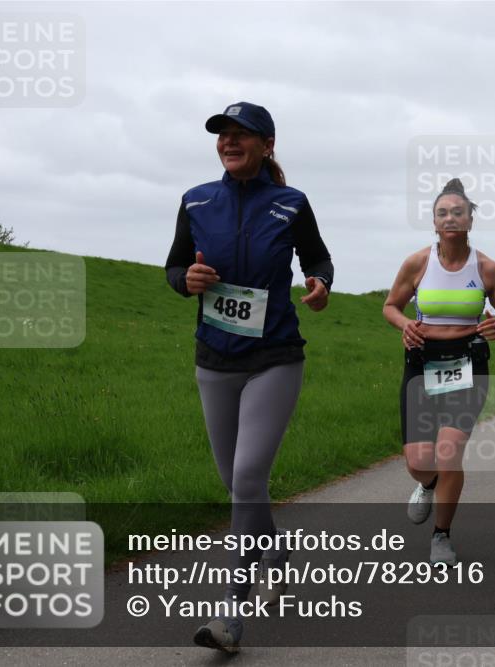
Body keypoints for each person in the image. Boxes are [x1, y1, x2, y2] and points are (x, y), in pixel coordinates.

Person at [164, 101, 333, 653]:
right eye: (223, 135)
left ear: (267, 144)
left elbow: (319, 259)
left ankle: (232, 615)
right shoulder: (196, 200)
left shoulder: (291, 203)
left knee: (247, 477)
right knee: (235, 482)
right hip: (214, 358)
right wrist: (185, 278)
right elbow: (173, 268)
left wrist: (319, 284)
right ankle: (277, 552)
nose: (229, 143)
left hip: (274, 358)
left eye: (242, 135)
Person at [383, 178, 495, 567]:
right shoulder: (416, 263)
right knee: (418, 459)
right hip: (421, 361)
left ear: (470, 220)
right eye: (442, 213)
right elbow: (391, 306)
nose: (450, 219)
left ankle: (441, 537)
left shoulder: (488, 268)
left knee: (449, 453)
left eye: (458, 213)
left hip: (468, 363)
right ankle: (428, 484)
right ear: (434, 221)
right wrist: (404, 325)